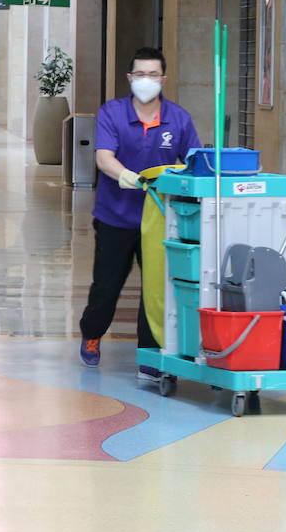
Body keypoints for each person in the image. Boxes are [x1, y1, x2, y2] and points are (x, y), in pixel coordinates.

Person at [78, 47, 200, 375]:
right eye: (141, 74)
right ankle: (92, 334)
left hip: (160, 219)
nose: (147, 80)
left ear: (164, 79)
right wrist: (128, 177)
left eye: (153, 74)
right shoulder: (112, 113)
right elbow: (104, 157)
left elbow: (194, 162)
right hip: (115, 217)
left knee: (156, 289)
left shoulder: (179, 119)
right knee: (106, 286)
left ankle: (151, 352)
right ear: (130, 78)